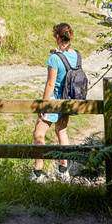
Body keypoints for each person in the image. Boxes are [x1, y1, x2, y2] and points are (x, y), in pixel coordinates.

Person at [31, 23, 81, 183]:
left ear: (58, 37)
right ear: (70, 36)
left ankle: (38, 172)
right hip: (69, 101)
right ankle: (63, 170)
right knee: (61, 131)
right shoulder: (77, 56)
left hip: (54, 101)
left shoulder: (54, 59)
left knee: (39, 134)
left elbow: (51, 84)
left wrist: (44, 105)